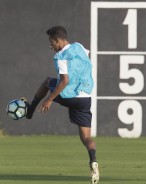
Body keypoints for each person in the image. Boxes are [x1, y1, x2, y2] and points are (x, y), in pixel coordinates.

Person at [22, 26, 99, 184]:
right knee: (86, 137)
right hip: (85, 96)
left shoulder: (60, 56)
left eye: (51, 41)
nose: (51, 45)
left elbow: (65, 81)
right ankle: (93, 161)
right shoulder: (79, 47)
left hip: (69, 95)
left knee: (47, 82)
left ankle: (30, 111)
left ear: (58, 40)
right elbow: (87, 57)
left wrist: (50, 99)